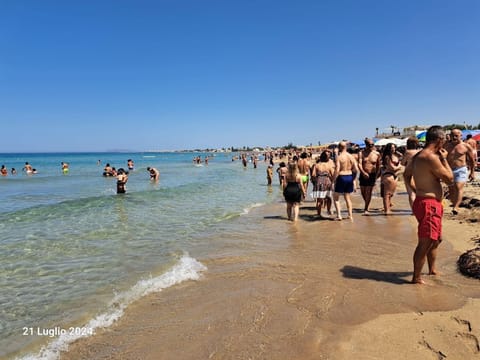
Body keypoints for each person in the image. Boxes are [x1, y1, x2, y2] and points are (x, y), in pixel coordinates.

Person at [403, 125, 453, 284]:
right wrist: (445, 159)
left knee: (436, 239)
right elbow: (450, 179)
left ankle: (431, 269)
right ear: (439, 139)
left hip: (425, 202)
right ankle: (416, 278)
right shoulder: (431, 157)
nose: (445, 142)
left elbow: (406, 174)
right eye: (445, 139)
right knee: (425, 241)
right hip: (428, 204)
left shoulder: (418, 156)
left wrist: (415, 189)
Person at [445, 128, 475, 214]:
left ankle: (456, 207)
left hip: (461, 169)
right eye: (452, 135)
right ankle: (455, 204)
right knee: (451, 190)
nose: (454, 137)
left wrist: (472, 172)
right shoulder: (447, 145)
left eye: (456, 136)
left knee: (458, 187)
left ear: (461, 136)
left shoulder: (466, 146)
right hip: (449, 170)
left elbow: (472, 160)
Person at [333, 141, 359, 221]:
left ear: (340, 147)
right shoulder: (351, 156)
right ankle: (350, 215)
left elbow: (337, 169)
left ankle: (339, 216)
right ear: (346, 147)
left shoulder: (339, 157)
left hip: (341, 176)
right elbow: (356, 169)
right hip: (349, 176)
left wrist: (334, 180)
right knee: (347, 197)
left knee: (336, 198)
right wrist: (353, 179)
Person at [358, 138, 381, 214]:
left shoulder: (377, 154)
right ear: (366, 145)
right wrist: (363, 172)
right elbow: (359, 164)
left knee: (369, 192)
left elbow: (378, 166)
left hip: (372, 175)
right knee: (363, 192)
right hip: (363, 174)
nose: (371, 146)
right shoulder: (361, 153)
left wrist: (377, 176)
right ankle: (367, 203)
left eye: (372, 144)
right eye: (369, 145)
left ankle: (366, 208)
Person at [311, 151, 335, 217]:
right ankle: (328, 211)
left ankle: (319, 214)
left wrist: (315, 181)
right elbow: (333, 175)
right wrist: (332, 181)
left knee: (319, 199)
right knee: (328, 198)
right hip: (327, 181)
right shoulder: (329, 165)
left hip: (319, 181)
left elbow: (313, 175)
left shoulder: (316, 165)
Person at [380, 143, 402, 215]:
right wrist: (399, 166)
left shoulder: (394, 156)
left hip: (393, 176)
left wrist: (398, 153)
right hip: (388, 175)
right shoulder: (387, 157)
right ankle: (387, 210)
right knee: (387, 194)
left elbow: (402, 157)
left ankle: (388, 208)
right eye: (391, 148)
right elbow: (392, 168)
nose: (393, 149)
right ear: (388, 149)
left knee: (390, 194)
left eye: (394, 147)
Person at [401, 137, 421, 211]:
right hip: (419, 173)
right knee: (419, 192)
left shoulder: (408, 152)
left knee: (411, 193)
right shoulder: (420, 151)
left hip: (409, 173)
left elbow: (402, 163)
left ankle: (414, 210)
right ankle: (419, 208)